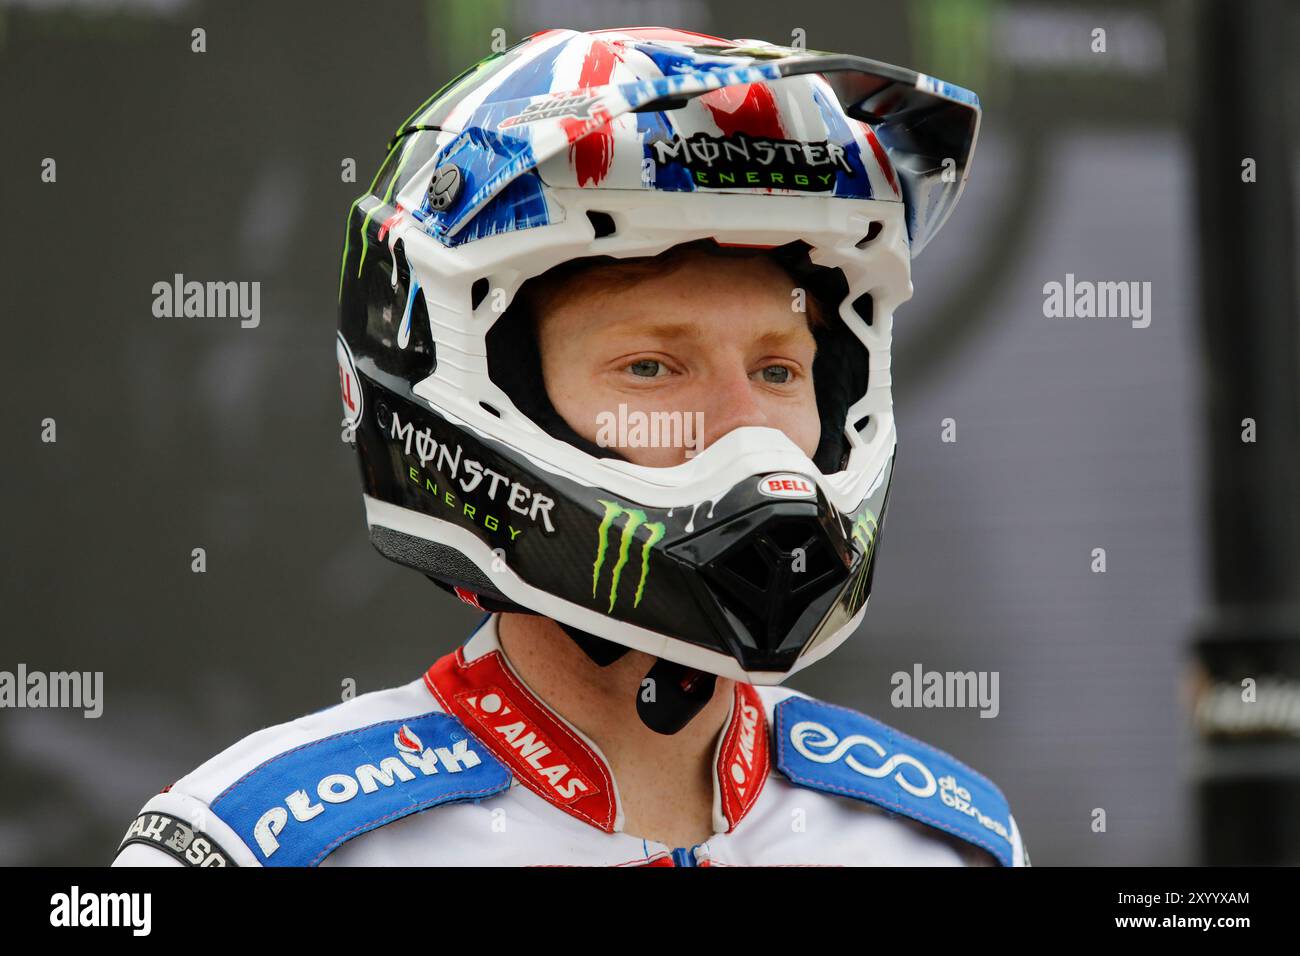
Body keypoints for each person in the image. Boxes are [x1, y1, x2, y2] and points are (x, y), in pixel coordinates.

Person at [113, 26, 1028, 867]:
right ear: (475, 384)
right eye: (651, 368)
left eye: (781, 371)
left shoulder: (950, 842)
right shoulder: (257, 844)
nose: (744, 427)